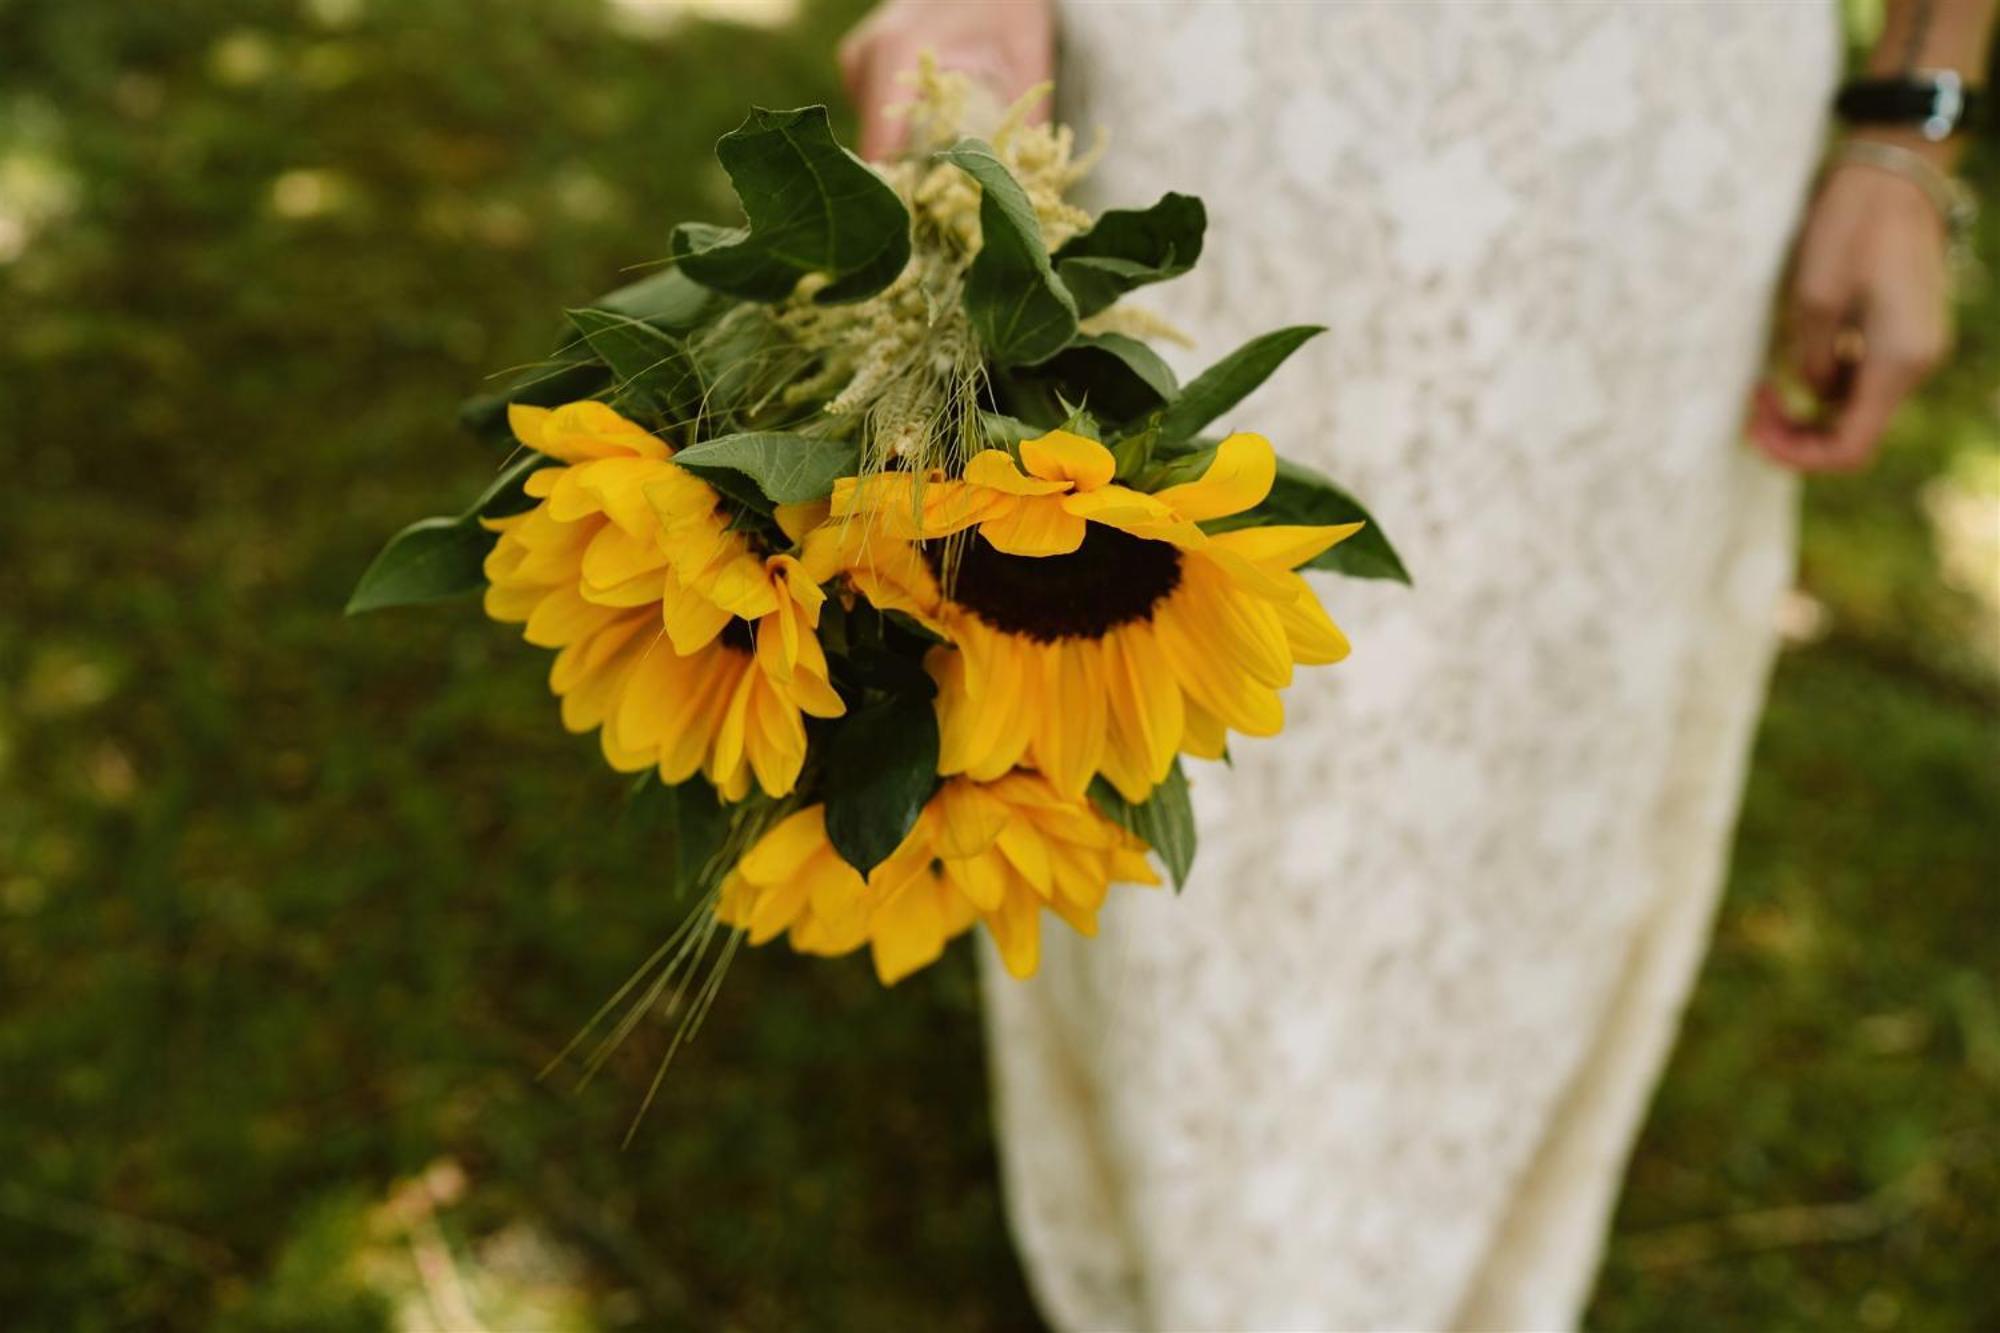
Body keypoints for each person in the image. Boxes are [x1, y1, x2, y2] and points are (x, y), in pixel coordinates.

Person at [839, 2, 1994, 1329]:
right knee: (1137, 639)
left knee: (1548, 715)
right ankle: (1206, 1258)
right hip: (1215, 70)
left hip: (1657, 109)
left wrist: (1916, 119)